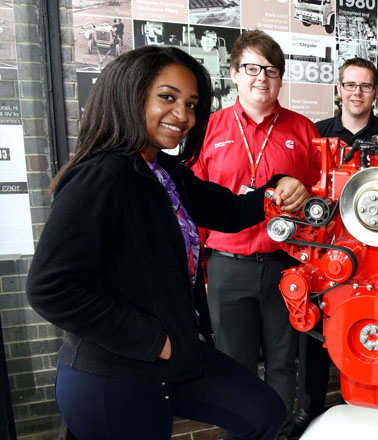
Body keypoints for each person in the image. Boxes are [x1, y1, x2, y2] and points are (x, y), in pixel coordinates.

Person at [25, 46, 299, 439]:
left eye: (191, 104)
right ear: (129, 94)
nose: (183, 116)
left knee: (265, 413)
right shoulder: (102, 175)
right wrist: (156, 341)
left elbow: (228, 211)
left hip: (173, 357)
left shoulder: (160, 168)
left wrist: (276, 191)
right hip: (115, 374)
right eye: (167, 98)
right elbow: (49, 288)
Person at [285, 57, 378, 438]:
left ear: (376, 93)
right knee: (317, 332)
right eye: (350, 85)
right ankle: (310, 407)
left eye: (365, 86)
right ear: (339, 89)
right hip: (329, 250)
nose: (357, 93)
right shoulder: (316, 135)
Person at [192, 30, 321, 414]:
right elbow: (193, 201)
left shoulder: (303, 129)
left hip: (286, 266)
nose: (261, 78)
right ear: (233, 73)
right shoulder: (208, 130)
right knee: (234, 365)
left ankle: (278, 430)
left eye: (272, 70)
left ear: (281, 78)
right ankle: (243, 431)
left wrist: (308, 195)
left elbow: (321, 196)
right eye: (251, 68)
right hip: (227, 267)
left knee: (283, 363)